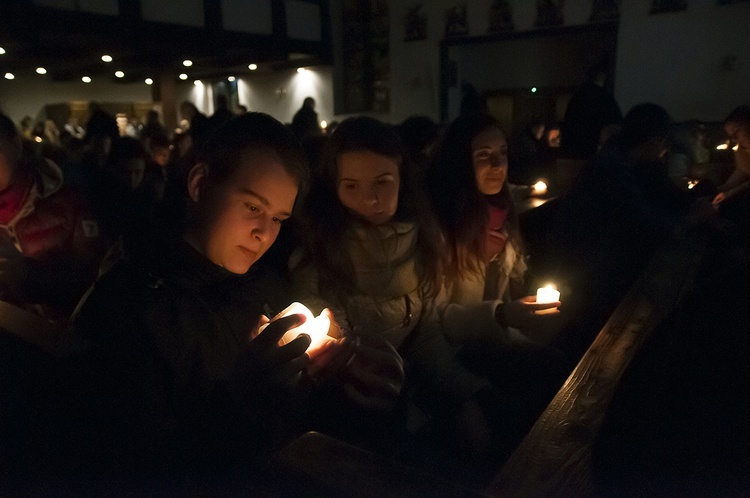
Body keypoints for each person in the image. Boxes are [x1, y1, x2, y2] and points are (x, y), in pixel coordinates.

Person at [68, 113, 403, 491]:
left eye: (278, 218)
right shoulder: (124, 310)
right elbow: (128, 473)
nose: (264, 233)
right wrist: (243, 407)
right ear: (199, 184)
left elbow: (299, 424)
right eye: (253, 207)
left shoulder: (266, 286)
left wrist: (355, 394)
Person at [549, 103, 694, 356]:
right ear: (654, 139)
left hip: (590, 265)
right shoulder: (610, 166)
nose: (664, 152)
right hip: (586, 273)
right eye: (663, 143)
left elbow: (658, 199)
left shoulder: (623, 158)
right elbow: (639, 220)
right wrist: (688, 222)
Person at [0, 113, 105, 322]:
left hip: (54, 342)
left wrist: (28, 277)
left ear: (16, 146)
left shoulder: (68, 205)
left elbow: (97, 284)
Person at [561, 59, 622, 160]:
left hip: (574, 151)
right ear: (604, 78)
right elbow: (615, 126)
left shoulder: (576, 98)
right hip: (595, 152)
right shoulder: (605, 99)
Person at [712, 105, 750, 228]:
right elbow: (743, 170)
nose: (735, 139)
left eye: (737, 132)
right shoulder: (742, 150)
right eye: (731, 136)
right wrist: (724, 188)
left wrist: (732, 192)